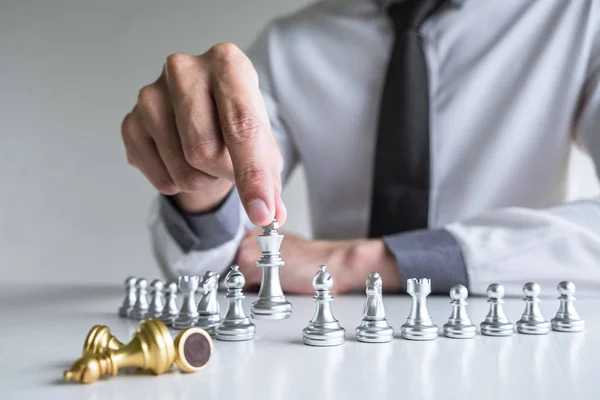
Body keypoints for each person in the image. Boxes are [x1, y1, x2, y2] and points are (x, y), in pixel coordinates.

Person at [121, 0, 600, 296]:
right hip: (335, 347)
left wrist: (368, 261)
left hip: (516, 335)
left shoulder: (582, 16)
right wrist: (200, 178)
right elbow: (217, 262)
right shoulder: (292, 43)